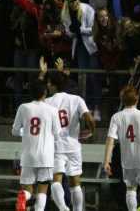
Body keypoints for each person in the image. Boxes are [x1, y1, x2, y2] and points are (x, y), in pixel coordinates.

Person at [39, 59, 96, 211]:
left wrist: (41, 75)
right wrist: (91, 131)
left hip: (56, 146)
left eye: (50, 83)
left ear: (52, 85)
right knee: (75, 182)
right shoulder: (77, 99)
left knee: (56, 181)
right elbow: (89, 118)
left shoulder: (47, 102)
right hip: (73, 145)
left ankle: (63, 208)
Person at [103, 85, 140, 211]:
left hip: (127, 160)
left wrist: (107, 161)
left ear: (122, 100)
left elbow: (110, 140)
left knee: (130, 188)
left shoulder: (116, 117)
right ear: (137, 99)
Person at [12, 80, 61, 211]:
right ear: (45, 93)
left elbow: (15, 131)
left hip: (28, 156)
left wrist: (26, 131)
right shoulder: (52, 110)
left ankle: (24, 195)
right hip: (46, 156)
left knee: (27, 187)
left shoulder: (23, 107)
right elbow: (57, 132)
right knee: (43, 189)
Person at [61, 0, 102, 120]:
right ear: (68, 3)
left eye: (76, 1)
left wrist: (79, 29)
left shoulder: (88, 9)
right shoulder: (66, 13)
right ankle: (87, 108)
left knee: (93, 76)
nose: (75, 4)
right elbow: (68, 32)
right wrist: (71, 32)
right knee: (83, 77)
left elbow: (93, 29)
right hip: (79, 47)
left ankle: (97, 108)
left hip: (90, 47)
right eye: (72, 3)